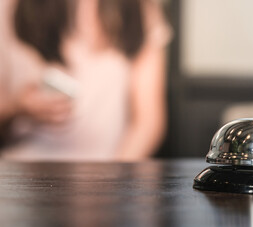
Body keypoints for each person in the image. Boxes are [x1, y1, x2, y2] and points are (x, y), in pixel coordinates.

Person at [0, 0, 171, 161]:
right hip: (20, 172)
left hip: (108, 174)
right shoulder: (9, 7)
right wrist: (18, 107)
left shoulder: (140, 10)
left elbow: (148, 124)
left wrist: (112, 180)